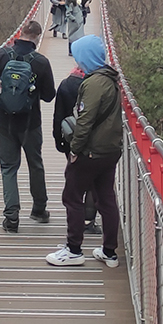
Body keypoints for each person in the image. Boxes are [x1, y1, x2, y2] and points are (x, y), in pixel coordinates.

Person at [46, 35, 122, 269]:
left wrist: (75, 150)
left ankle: (74, 249)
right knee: (106, 199)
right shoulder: (111, 79)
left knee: (72, 197)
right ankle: (109, 252)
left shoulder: (92, 84)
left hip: (90, 152)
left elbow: (85, 121)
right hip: (110, 150)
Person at [0, 20, 56, 232]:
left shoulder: (1, 55)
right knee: (35, 164)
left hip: (4, 122)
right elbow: (50, 96)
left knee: (8, 168)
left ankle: (11, 218)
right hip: (30, 123)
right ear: (38, 38)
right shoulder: (41, 61)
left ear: (20, 33)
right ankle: (39, 210)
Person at [51, 57, 100, 234]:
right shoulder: (100, 85)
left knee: (75, 178)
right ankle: (88, 221)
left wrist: (58, 139)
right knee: (94, 181)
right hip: (95, 142)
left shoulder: (66, 84)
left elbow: (58, 116)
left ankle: (75, 220)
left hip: (71, 140)